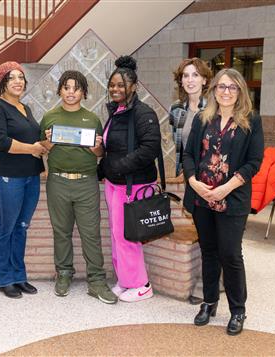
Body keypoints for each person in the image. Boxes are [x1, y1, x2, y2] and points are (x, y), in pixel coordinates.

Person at [182, 68, 264, 335]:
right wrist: (193, 181)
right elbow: (188, 155)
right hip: (202, 198)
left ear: (240, 91)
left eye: (232, 87)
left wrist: (226, 188)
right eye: (221, 87)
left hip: (232, 198)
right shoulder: (202, 119)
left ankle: (238, 310)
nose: (226, 92)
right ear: (214, 89)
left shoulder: (251, 120)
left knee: (230, 254)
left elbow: (254, 162)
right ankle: (209, 302)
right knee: (209, 252)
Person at [40, 70, 117, 304]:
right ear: (60, 90)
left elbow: (101, 152)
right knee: (61, 231)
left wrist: (96, 149)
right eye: (66, 87)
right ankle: (64, 273)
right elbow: (42, 148)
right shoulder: (50, 117)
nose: (71, 92)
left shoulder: (92, 119)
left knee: (91, 233)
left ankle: (96, 281)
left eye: (76, 88)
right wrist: (48, 143)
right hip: (58, 182)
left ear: (83, 92)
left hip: (86, 182)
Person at [100, 55, 161, 302]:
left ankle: (141, 284)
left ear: (133, 86)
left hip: (133, 183)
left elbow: (150, 149)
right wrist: (104, 168)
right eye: (112, 85)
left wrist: (119, 167)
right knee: (117, 233)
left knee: (127, 235)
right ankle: (125, 280)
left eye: (121, 85)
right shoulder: (117, 112)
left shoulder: (143, 113)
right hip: (115, 182)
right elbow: (112, 146)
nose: (115, 89)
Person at [0, 62, 47, 299]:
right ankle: (5, 278)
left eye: (21, 77)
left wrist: (46, 139)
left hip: (30, 175)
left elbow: (33, 137)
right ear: (2, 83)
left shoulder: (25, 108)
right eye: (12, 78)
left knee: (21, 227)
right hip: (6, 176)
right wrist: (32, 148)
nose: (18, 81)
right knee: (5, 228)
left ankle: (19, 276)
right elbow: (0, 141)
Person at [170, 58, 223, 306]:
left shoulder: (216, 109)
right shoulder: (176, 111)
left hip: (214, 179)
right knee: (203, 231)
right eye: (185, 76)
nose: (190, 80)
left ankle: (217, 282)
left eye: (195, 75)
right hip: (192, 177)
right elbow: (180, 146)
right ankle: (208, 283)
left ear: (205, 79)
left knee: (219, 231)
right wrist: (183, 171)